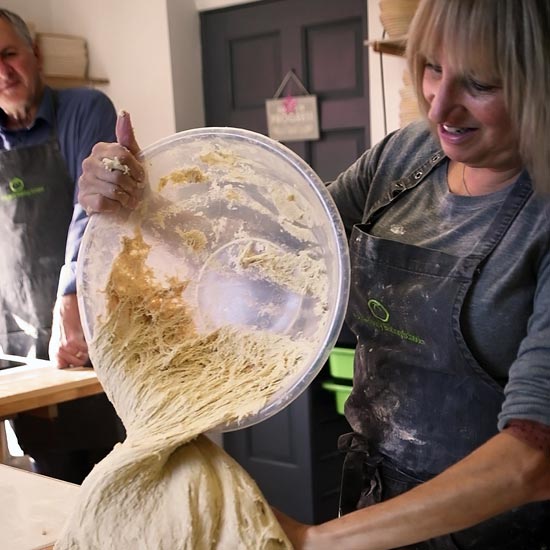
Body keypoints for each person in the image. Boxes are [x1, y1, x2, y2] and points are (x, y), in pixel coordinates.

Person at [77, 0, 550, 546]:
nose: (439, 106)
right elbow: (279, 252)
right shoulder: (406, 160)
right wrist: (142, 205)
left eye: (480, 84)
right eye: (433, 68)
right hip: (378, 511)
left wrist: (317, 541)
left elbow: (532, 459)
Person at [0, 9, 124, 484]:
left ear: (36, 53)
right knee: (48, 483)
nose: (4, 71)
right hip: (21, 343)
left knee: (111, 480)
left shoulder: (85, 110)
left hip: (90, 330)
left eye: (10, 53)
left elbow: (91, 205)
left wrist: (71, 295)